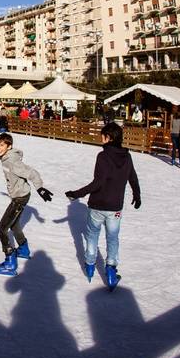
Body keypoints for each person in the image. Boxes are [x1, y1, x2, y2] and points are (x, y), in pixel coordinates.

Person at [65, 122, 141, 291]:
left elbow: (98, 183)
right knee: (112, 238)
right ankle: (111, 271)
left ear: (110, 138)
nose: (101, 138)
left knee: (92, 235)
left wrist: (76, 193)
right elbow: (133, 177)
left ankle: (90, 266)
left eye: (103, 136)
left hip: (98, 205)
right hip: (115, 207)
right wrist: (137, 194)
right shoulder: (127, 156)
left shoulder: (103, 156)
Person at [0, 133, 52, 277]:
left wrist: (40, 188)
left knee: (2, 229)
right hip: (20, 195)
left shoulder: (13, 162)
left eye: (2, 145)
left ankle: (10, 263)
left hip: (19, 198)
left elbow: (32, 173)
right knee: (14, 225)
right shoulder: (4, 155)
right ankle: (24, 249)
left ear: (9, 147)